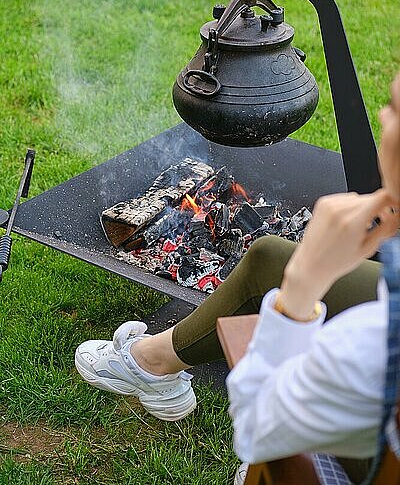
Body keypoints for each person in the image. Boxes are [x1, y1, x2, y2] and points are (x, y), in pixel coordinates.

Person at [75, 73, 400, 483]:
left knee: (273, 266)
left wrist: (300, 291)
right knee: (267, 254)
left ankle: (148, 364)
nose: (382, 116)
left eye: (392, 109)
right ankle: (153, 362)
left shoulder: (367, 340)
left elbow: (263, 431)